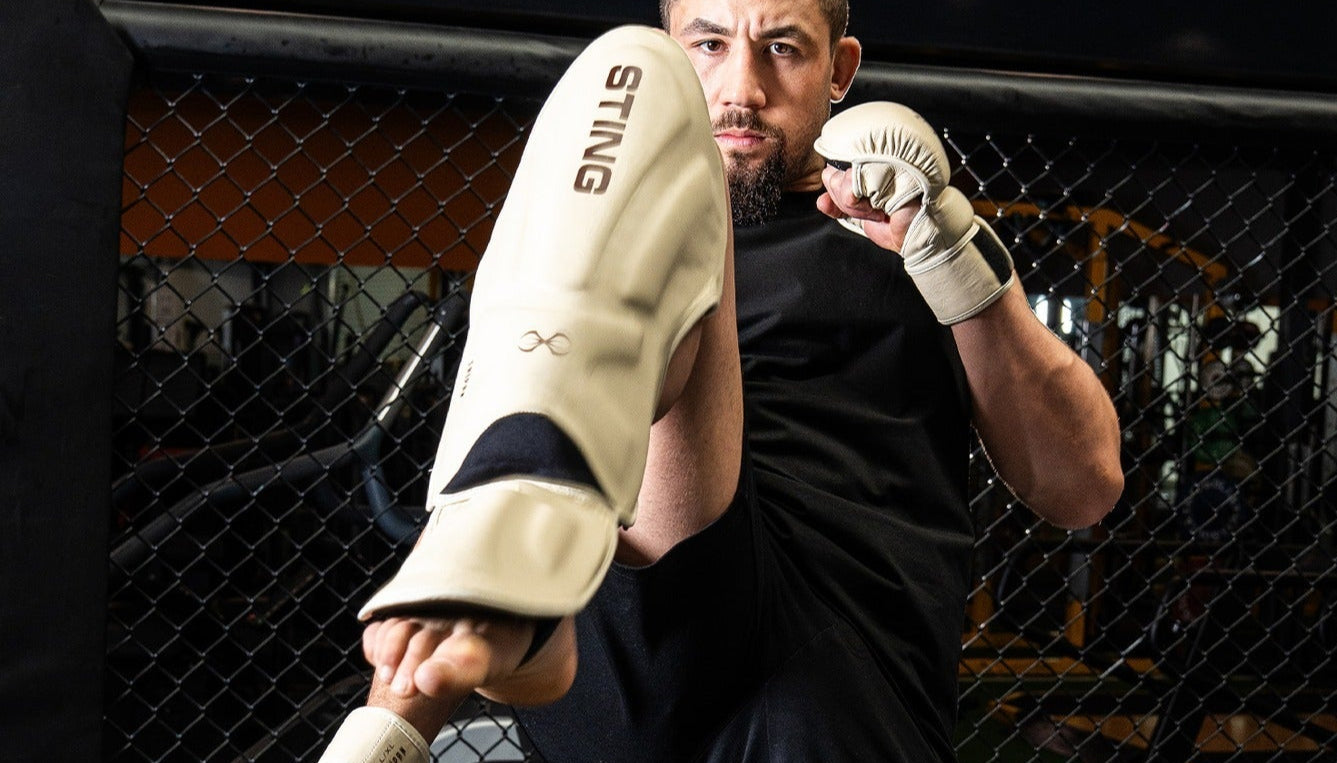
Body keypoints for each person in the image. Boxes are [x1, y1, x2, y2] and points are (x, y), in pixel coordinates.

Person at [319, 0, 1122, 760]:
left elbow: (1084, 485)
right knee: (619, 235)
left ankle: (528, 581)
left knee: (634, 272)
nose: (741, 89)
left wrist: (954, 257)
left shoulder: (909, 238)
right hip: (638, 664)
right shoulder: (591, 255)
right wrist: (389, 727)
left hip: (839, 697)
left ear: (840, 69)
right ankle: (517, 586)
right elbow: (512, 434)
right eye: (705, 45)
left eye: (782, 48)